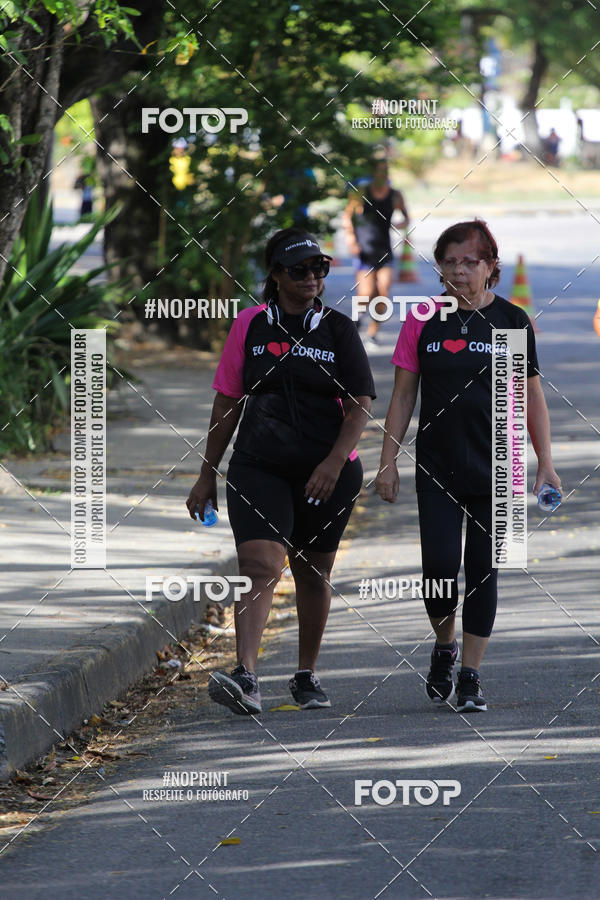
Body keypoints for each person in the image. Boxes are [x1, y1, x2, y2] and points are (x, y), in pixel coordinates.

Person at [187, 227, 375, 715]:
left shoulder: (338, 329)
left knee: (313, 572)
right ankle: (246, 676)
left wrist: (333, 462)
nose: (311, 277)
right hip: (258, 465)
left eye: (319, 267)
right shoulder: (249, 325)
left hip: (328, 471)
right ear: (275, 275)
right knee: (259, 566)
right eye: (299, 269)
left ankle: (306, 674)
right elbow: (227, 402)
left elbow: (360, 404)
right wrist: (206, 473)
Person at [375, 220, 561, 712]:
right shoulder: (423, 319)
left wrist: (545, 463)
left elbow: (531, 396)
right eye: (450, 261)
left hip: (502, 465)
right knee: (438, 570)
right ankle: (444, 644)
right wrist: (387, 461)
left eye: (470, 262)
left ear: (490, 266)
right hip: (437, 465)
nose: (459, 271)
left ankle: (471, 675)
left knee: (485, 571)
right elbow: (403, 396)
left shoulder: (512, 320)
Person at [342, 159, 409, 349]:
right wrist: (351, 239)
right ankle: (357, 319)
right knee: (366, 293)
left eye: (385, 171)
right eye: (379, 171)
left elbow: (406, 217)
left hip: (384, 251)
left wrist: (400, 225)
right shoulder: (361, 192)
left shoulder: (395, 195)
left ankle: (372, 333)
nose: (382, 175)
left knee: (383, 293)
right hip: (365, 251)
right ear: (372, 174)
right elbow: (347, 217)